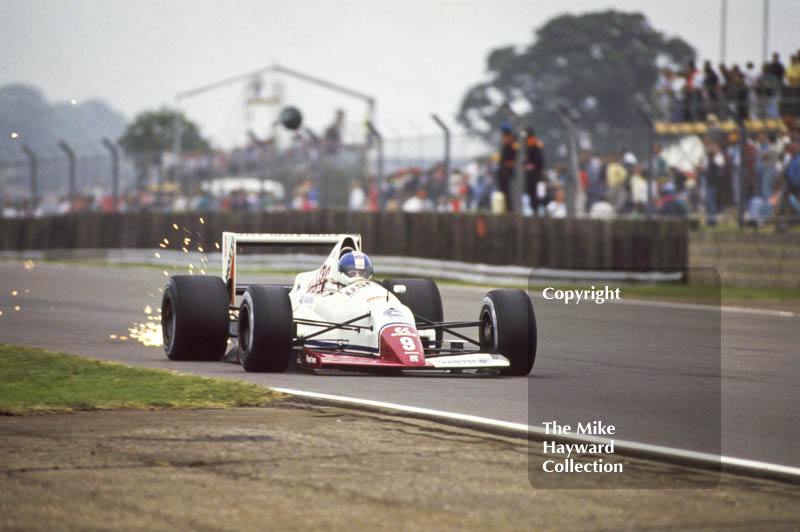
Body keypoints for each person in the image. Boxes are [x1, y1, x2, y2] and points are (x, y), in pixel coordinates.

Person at [496, 124, 519, 212]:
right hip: (504, 170)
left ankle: (510, 208)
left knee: (509, 190)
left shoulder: (512, 142)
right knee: (503, 189)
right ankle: (505, 207)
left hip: (509, 169)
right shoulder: (506, 142)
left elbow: (513, 156)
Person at [523, 127, 544, 215]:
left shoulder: (535, 145)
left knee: (535, 192)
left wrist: (526, 163)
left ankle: (536, 209)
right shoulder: (529, 144)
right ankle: (533, 209)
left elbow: (538, 161)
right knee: (530, 191)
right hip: (531, 172)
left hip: (535, 173)